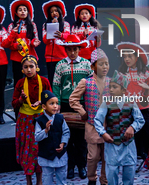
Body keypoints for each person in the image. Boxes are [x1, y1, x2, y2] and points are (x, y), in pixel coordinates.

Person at [94, 70, 145, 185]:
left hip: (128, 146)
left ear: (123, 90)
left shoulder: (131, 102)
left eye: (114, 87)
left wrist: (132, 127)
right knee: (111, 173)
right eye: (110, 87)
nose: (111, 89)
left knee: (129, 172)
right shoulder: (106, 103)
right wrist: (103, 133)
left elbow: (140, 120)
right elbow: (97, 120)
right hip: (112, 144)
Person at [53, 34, 93, 179]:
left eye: (75, 49)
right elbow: (56, 86)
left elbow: (91, 85)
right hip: (65, 104)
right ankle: (70, 166)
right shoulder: (60, 65)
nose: (72, 52)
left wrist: (90, 103)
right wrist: (56, 103)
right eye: (69, 49)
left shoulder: (87, 64)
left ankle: (82, 166)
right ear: (65, 50)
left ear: (79, 49)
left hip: (81, 104)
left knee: (82, 139)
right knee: (67, 137)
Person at [69, 48, 110, 185]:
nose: (104, 67)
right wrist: (82, 112)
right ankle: (92, 179)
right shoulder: (86, 82)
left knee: (106, 157)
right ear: (92, 66)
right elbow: (73, 99)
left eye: (106, 64)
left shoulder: (112, 82)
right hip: (92, 125)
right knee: (92, 156)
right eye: (101, 64)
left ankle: (104, 180)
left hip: (108, 125)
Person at [12, 55, 51, 185]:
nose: (29, 70)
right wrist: (21, 100)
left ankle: (39, 181)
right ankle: (28, 181)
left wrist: (42, 101)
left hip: (40, 119)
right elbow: (14, 104)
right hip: (25, 121)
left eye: (31, 66)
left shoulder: (44, 81)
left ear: (37, 67)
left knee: (38, 149)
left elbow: (52, 100)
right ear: (22, 69)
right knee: (26, 151)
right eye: (26, 67)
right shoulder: (20, 83)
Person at [4, 0, 41, 117]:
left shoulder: (32, 24)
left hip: (31, 57)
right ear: (16, 12)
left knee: (33, 81)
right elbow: (8, 43)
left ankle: (35, 106)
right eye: (20, 10)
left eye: (25, 10)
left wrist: (35, 43)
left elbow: (35, 38)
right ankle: (18, 110)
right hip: (17, 58)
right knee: (18, 84)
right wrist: (17, 46)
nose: (23, 12)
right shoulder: (12, 26)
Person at [116, 42, 149, 160]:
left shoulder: (147, 74)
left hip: (143, 108)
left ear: (137, 58)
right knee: (130, 132)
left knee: (145, 132)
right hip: (128, 109)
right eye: (125, 56)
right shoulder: (121, 74)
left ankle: (146, 154)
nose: (127, 59)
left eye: (130, 56)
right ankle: (133, 154)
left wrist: (147, 91)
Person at [35, 90, 70, 185]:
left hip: (60, 155)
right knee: (47, 180)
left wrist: (63, 143)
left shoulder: (60, 118)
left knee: (62, 179)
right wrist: (45, 130)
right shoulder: (40, 121)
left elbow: (66, 132)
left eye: (56, 103)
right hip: (46, 156)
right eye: (51, 103)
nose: (55, 106)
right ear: (44, 106)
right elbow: (37, 137)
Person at [42, 0, 70, 86]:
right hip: (50, 57)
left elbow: (68, 37)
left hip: (62, 56)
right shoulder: (45, 25)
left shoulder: (65, 24)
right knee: (52, 80)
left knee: (64, 81)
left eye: (56, 11)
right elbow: (45, 40)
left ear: (60, 12)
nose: (54, 13)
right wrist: (52, 26)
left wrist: (61, 35)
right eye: (51, 12)